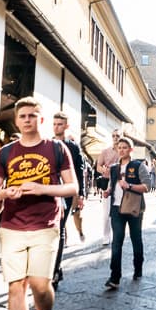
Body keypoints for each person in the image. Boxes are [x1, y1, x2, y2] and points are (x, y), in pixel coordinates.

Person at [0, 97, 78, 310]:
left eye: (32, 115)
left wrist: (41, 189)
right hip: (12, 226)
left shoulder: (57, 149)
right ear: (16, 120)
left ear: (41, 119)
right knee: (16, 286)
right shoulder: (5, 152)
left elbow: (72, 187)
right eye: (23, 116)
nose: (27, 120)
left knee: (39, 284)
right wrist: (6, 193)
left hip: (45, 224)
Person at [103, 138, 151, 289]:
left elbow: (147, 186)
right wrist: (108, 191)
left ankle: (138, 268)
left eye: (125, 147)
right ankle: (115, 277)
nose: (122, 150)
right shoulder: (114, 168)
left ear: (131, 150)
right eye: (119, 147)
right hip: (117, 209)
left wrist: (129, 185)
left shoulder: (138, 166)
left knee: (136, 239)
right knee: (117, 242)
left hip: (133, 208)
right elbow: (112, 186)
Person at [51, 111, 85, 288]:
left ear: (66, 126)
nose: (56, 127)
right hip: (50, 192)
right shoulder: (47, 144)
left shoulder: (72, 146)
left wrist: (81, 195)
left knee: (60, 229)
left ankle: (55, 270)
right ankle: (54, 267)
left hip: (66, 192)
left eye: (60, 124)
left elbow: (79, 171)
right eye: (54, 123)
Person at [95, 130, 120, 244]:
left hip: (120, 182)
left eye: (117, 136)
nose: (115, 138)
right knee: (106, 212)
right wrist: (103, 169)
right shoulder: (105, 151)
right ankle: (106, 236)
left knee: (119, 210)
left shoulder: (124, 151)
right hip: (108, 181)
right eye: (113, 136)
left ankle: (117, 235)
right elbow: (98, 167)